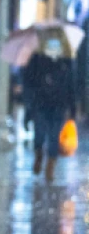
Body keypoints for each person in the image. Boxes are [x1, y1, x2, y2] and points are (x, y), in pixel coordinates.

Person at [23, 34, 77, 182]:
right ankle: (39, 155)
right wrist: (29, 110)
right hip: (41, 105)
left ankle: (50, 168)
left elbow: (71, 86)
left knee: (54, 137)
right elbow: (30, 84)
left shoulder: (66, 62)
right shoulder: (37, 60)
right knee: (39, 135)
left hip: (58, 106)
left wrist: (72, 110)